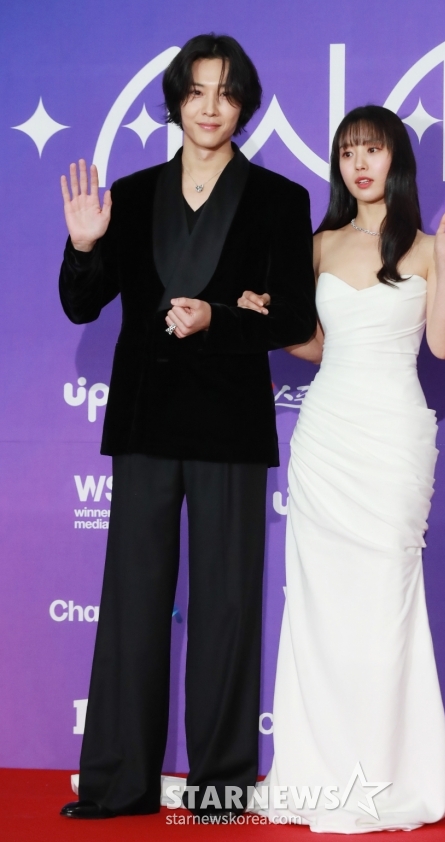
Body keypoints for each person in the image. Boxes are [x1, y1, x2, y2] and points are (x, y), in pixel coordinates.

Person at [58, 33, 316, 820]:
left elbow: (295, 322)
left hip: (230, 426)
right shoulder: (132, 195)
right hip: (145, 421)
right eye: (197, 91)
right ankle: (119, 782)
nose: (210, 107)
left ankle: (221, 786)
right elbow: (81, 304)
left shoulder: (279, 200)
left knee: (227, 608)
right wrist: (82, 245)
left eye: (226, 93)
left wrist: (222, 319)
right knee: (132, 605)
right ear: (176, 101)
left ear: (245, 105)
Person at [238, 105, 445, 832]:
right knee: (320, 606)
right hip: (327, 436)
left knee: (384, 599)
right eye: (347, 153)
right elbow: (317, 346)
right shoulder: (318, 245)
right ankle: (316, 772)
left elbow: (441, 346)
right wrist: (267, 320)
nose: (359, 164)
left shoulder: (429, 246)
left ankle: (386, 772)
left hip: (394, 437)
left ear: (395, 159)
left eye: (371, 150)